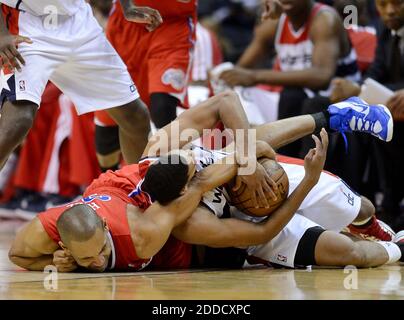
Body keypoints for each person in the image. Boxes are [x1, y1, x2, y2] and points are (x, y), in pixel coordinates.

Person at [9, 91, 400, 272]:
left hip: (245, 172)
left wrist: (246, 163)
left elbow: (229, 106)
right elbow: (260, 229)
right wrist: (305, 185)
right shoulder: (182, 219)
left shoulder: (164, 149)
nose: (97, 263)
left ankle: (335, 116)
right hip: (246, 225)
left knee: (359, 207)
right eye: (89, 259)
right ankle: (394, 251)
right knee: (343, 252)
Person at [0, 0, 161, 171]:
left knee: (135, 116)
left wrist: (128, 7)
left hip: (78, 22)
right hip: (27, 23)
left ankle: (138, 193)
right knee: (19, 121)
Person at [218, 0, 360, 157]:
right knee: (236, 94)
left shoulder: (325, 20)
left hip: (340, 97)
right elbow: (241, 70)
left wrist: (255, 77)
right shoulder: (275, 25)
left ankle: (300, 165)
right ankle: (244, 156)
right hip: (298, 100)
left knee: (295, 98)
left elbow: (322, 76)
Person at [93, 0, 198, 172]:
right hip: (125, 24)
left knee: (163, 108)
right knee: (109, 124)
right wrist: (127, 8)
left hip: (171, 26)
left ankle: (183, 178)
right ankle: (111, 185)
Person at [330, 0, 404, 228]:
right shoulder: (384, 31)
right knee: (355, 121)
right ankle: (352, 207)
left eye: (398, 3)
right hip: (395, 109)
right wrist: (356, 88)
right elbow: (375, 73)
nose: (390, 10)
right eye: (383, 5)